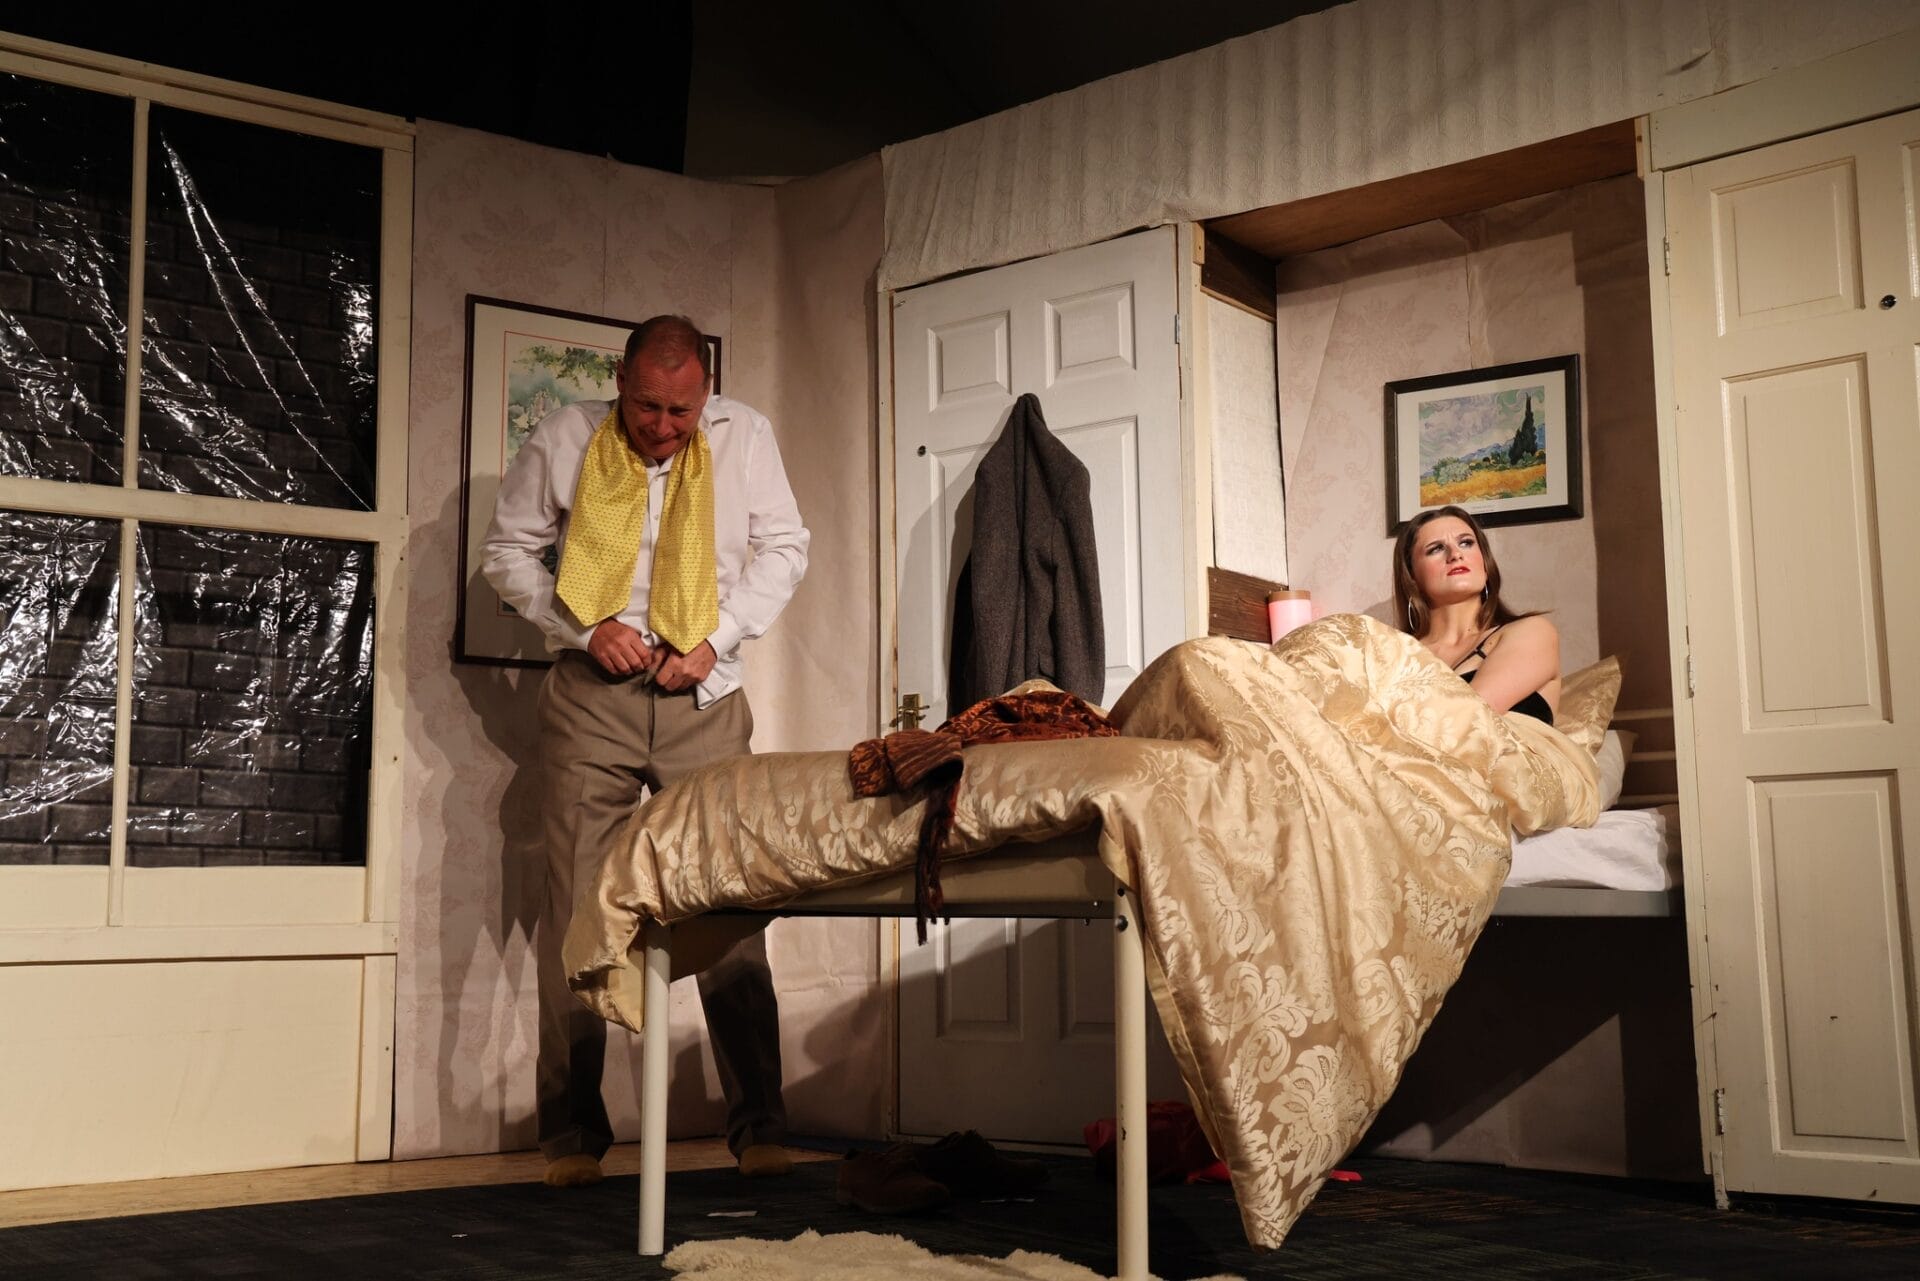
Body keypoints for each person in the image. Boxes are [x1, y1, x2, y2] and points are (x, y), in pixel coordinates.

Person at [481, 315, 810, 1188]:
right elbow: (506, 553)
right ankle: (571, 1136)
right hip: (593, 698)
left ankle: (759, 1124)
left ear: (707, 392)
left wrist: (719, 637)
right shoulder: (567, 436)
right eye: (647, 407)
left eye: (681, 410)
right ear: (620, 380)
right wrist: (583, 628)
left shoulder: (746, 436)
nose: (663, 426)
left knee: (728, 897)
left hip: (704, 694)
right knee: (579, 905)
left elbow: (787, 547)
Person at [1390, 504, 1559, 723]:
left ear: (1485, 564)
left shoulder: (1532, 632)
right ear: (1411, 576)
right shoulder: (1395, 654)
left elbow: (1469, 716)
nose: (1455, 554)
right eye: (1436, 549)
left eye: (1466, 543)